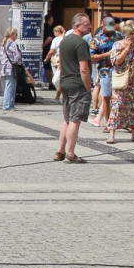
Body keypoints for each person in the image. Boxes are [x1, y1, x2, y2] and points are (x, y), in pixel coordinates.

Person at [55, 14, 92, 164]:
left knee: (67, 119)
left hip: (65, 82)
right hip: (78, 84)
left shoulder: (64, 41)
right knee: (75, 120)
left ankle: (60, 150)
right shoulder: (80, 43)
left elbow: (61, 63)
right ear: (77, 26)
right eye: (87, 25)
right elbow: (84, 68)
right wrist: (88, 88)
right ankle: (70, 153)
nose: (90, 27)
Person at [107, 21, 134, 143]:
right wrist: (126, 49)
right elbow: (116, 61)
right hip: (121, 80)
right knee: (117, 105)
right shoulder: (118, 45)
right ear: (125, 34)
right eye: (130, 34)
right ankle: (112, 134)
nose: (132, 36)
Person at [89, 17, 118, 128]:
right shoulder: (96, 39)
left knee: (118, 97)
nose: (110, 31)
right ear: (102, 25)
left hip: (119, 70)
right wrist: (106, 55)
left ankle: (118, 120)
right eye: (107, 28)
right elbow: (91, 57)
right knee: (106, 97)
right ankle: (107, 122)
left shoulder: (118, 36)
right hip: (105, 70)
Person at [0, 27, 22, 111]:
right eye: (16, 34)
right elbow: (18, 56)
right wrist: (18, 63)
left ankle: (10, 104)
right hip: (11, 68)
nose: (17, 35)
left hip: (4, 67)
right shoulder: (13, 44)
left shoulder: (3, 43)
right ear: (12, 35)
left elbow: (1, 56)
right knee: (10, 87)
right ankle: (7, 105)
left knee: (9, 86)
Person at [46, 24, 65, 100]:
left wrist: (46, 58)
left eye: (54, 32)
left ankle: (58, 96)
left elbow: (52, 51)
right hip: (64, 60)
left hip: (56, 61)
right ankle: (59, 95)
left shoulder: (56, 40)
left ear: (57, 32)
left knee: (57, 79)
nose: (54, 34)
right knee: (60, 78)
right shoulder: (65, 38)